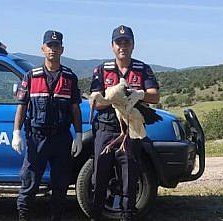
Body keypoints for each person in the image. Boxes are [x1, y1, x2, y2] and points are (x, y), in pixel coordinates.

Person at [89, 25, 160, 221]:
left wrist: (140, 94)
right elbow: (97, 103)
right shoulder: (102, 70)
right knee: (99, 178)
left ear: (133, 45)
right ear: (112, 46)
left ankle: (127, 216)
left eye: (126, 42)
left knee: (129, 179)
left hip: (131, 131)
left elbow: (155, 96)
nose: (123, 46)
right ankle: (97, 215)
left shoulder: (142, 69)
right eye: (118, 43)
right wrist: (110, 99)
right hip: (104, 130)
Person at [11, 30, 83, 221]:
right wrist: (16, 132)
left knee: (60, 184)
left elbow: (75, 109)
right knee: (29, 182)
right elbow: (22, 106)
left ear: (62, 49)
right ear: (43, 49)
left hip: (61, 138)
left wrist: (78, 134)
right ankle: (24, 217)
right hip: (37, 138)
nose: (53, 50)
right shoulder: (31, 76)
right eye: (49, 46)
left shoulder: (69, 77)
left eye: (56, 46)